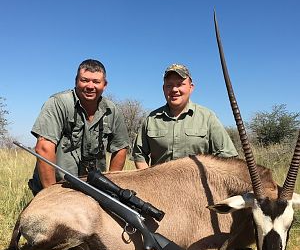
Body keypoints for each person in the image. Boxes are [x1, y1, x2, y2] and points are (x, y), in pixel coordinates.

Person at [29, 59, 130, 195]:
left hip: (92, 190)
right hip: (57, 187)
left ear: (104, 85)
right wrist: (51, 194)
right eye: (84, 80)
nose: (90, 86)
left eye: (96, 82)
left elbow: (120, 149)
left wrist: (110, 186)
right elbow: (44, 148)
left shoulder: (112, 110)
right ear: (76, 81)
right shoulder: (58, 103)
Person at [132, 63, 238, 169]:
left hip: (197, 185)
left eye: (180, 84)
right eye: (169, 85)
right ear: (164, 88)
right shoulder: (151, 119)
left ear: (191, 87)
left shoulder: (208, 117)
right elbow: (139, 155)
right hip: (159, 184)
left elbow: (227, 157)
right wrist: (150, 182)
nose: (174, 89)